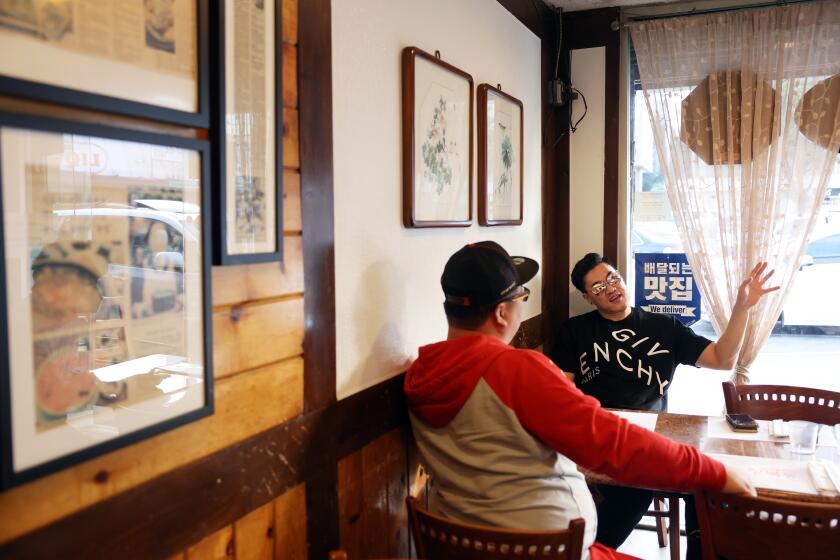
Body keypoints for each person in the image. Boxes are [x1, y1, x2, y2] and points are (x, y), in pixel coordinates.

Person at [404, 241, 755, 560]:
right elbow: (612, 443)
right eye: (521, 299)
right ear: (501, 313)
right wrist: (713, 471)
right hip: (543, 547)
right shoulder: (514, 369)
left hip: (467, 546)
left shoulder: (420, 371)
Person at [550, 252, 778, 558]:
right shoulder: (574, 331)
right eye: (598, 288)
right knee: (632, 490)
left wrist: (741, 310)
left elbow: (722, 360)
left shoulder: (663, 326)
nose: (610, 288)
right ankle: (591, 550)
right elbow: (560, 391)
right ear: (588, 298)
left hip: (653, 437)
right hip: (602, 439)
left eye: (612, 278)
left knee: (702, 488)